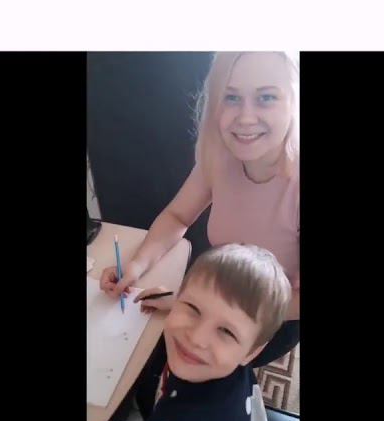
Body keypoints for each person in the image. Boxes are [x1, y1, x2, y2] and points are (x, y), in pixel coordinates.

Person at [100, 51, 300, 363]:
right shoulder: (220, 155)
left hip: (274, 314)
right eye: (231, 98)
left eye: (266, 98)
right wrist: (136, 265)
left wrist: (199, 307)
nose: (246, 117)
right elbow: (177, 216)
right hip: (217, 288)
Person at [133, 244, 291, 421]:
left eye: (226, 331)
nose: (196, 338)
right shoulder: (232, 357)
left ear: (252, 352)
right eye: (192, 308)